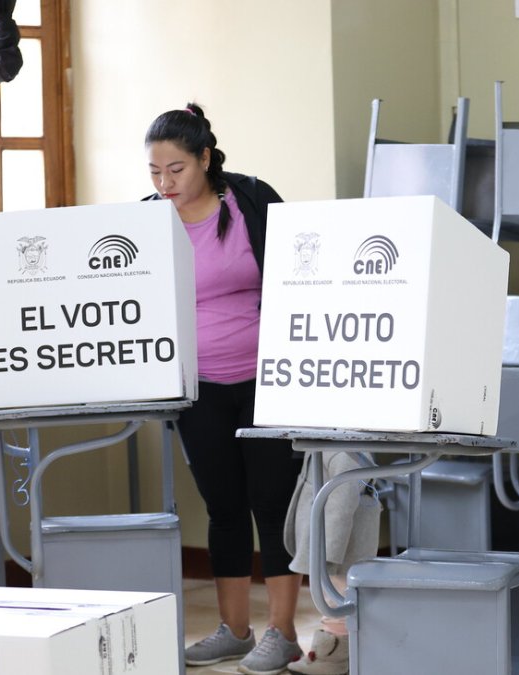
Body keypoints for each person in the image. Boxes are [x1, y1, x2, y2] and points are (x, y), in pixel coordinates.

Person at [144, 105, 304, 675]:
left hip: (268, 380)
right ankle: (235, 630)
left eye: (176, 170)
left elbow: (303, 270)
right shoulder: (147, 224)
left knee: (273, 502)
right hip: (198, 388)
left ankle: (282, 633)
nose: (165, 185)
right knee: (224, 507)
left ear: (206, 159)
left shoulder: (253, 202)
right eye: (155, 172)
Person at [282, 452, 382, 675]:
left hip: (341, 544)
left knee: (339, 594)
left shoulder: (344, 451)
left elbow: (342, 502)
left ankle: (334, 654)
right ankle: (338, 649)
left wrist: (329, 554)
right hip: (335, 536)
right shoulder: (332, 446)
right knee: (338, 594)